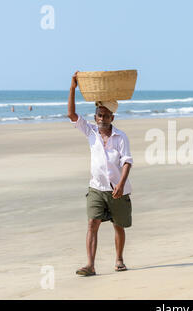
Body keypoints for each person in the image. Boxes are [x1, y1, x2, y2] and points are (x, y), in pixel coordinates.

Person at [67, 71, 133, 276]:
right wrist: (72, 88)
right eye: (99, 115)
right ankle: (90, 265)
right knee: (92, 223)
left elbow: (127, 162)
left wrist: (121, 185)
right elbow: (71, 114)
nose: (102, 118)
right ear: (95, 117)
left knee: (118, 225)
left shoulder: (121, 137)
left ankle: (119, 259)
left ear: (112, 117)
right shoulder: (91, 132)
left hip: (117, 189)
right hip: (96, 187)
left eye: (105, 115)